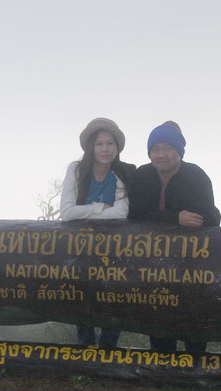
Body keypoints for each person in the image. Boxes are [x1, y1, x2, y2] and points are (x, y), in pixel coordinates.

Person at [128, 121, 221, 353]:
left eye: (168, 148)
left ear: (179, 151)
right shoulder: (141, 176)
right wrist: (175, 217)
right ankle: (162, 364)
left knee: (193, 319)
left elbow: (210, 217)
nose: (161, 154)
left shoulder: (196, 176)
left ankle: (195, 363)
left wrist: (161, 219)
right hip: (152, 262)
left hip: (191, 263)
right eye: (155, 149)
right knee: (158, 318)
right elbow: (134, 216)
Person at [60, 117, 136, 346]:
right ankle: (85, 351)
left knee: (113, 299)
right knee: (82, 298)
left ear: (117, 147)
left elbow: (122, 212)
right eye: (99, 144)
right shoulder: (76, 170)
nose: (105, 149)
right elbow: (67, 212)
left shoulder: (123, 172)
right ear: (90, 147)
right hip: (81, 248)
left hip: (114, 248)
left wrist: (84, 212)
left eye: (110, 143)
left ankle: (108, 351)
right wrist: (100, 207)